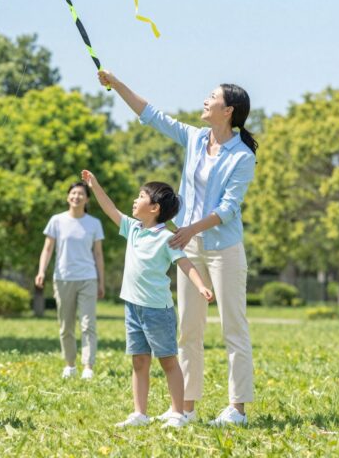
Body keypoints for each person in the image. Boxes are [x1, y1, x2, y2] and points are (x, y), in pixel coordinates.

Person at [98, 69, 257, 427]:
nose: (205, 100)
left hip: (223, 246)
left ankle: (237, 409)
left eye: (212, 96)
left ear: (228, 109)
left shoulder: (242, 156)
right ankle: (184, 408)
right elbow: (151, 115)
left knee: (233, 326)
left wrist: (189, 230)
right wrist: (117, 83)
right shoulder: (196, 138)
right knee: (188, 328)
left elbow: (229, 209)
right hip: (188, 241)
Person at [81, 169, 213, 429]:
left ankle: (178, 414)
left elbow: (185, 264)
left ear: (154, 208)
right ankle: (140, 413)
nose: (134, 199)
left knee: (167, 361)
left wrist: (201, 286)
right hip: (133, 308)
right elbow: (110, 209)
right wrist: (94, 185)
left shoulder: (167, 237)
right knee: (139, 360)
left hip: (157, 311)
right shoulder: (133, 228)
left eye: (140, 196)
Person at [35, 182, 105, 380]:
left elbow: (98, 254)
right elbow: (47, 249)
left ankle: (88, 366)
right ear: (68, 198)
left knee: (88, 324)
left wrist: (101, 281)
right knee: (66, 325)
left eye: (81, 193)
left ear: (87, 199)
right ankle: (70, 365)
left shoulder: (94, 223)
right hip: (63, 278)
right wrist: (41, 271)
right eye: (73, 193)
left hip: (88, 278)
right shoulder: (56, 221)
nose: (76, 196)